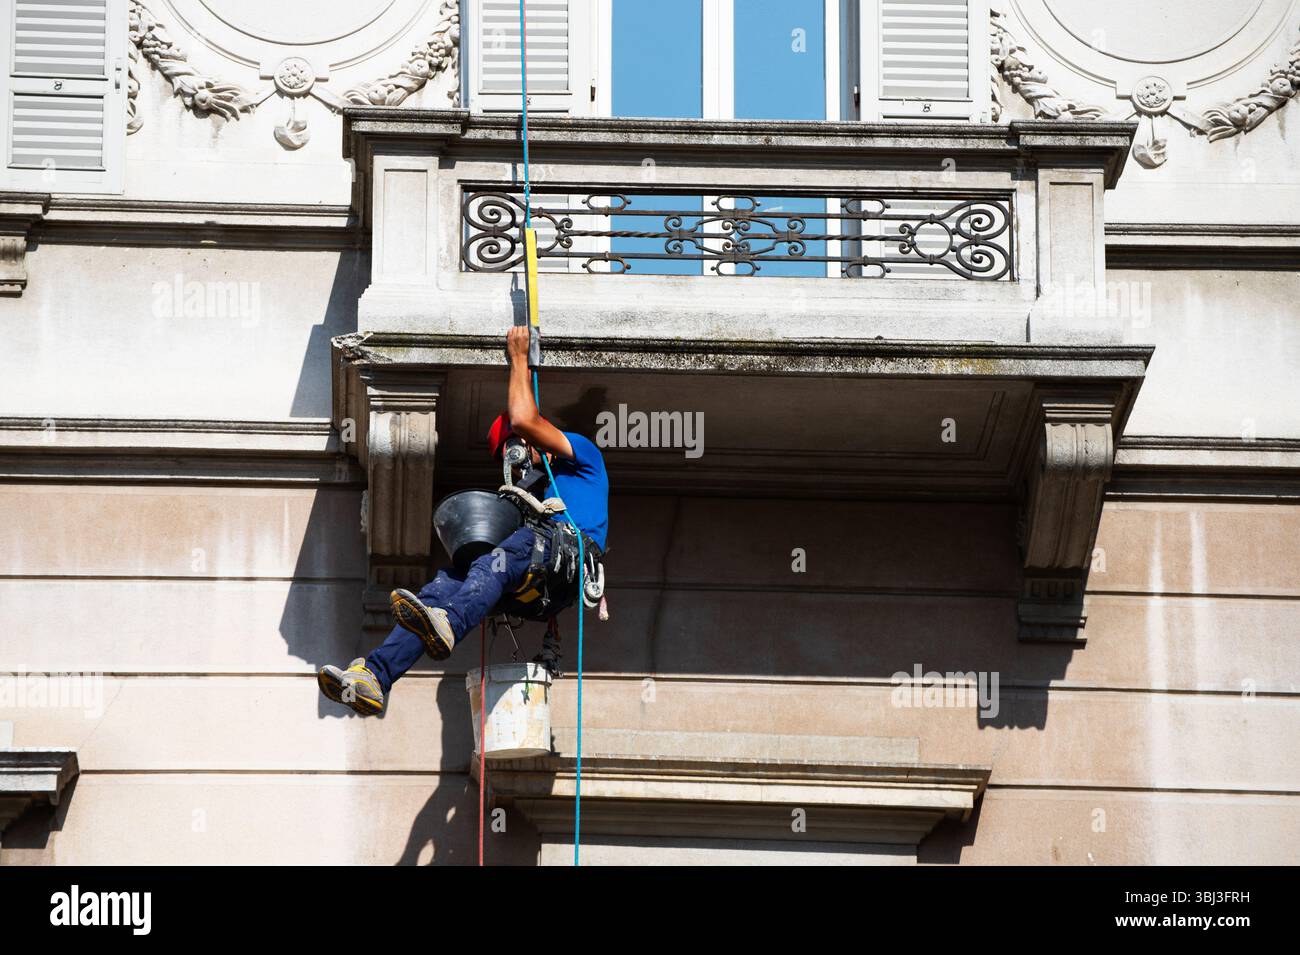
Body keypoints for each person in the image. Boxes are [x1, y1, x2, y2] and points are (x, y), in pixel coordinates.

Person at [318, 325, 609, 716]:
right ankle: (374, 676)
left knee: (514, 549)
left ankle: (450, 625)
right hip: (533, 581)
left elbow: (524, 418)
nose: (514, 459)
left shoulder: (583, 458)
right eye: (505, 452)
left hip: (564, 564)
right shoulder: (535, 494)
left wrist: (519, 357)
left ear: (538, 442)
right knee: (443, 586)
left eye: (516, 448)